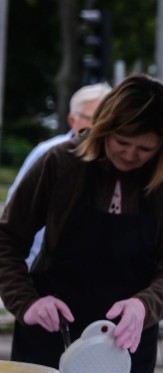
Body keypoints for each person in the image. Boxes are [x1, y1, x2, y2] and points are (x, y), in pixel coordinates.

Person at [0, 74, 163, 373]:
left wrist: (144, 306)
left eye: (145, 149)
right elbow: (6, 239)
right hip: (47, 337)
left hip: (124, 346)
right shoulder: (61, 163)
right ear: (104, 128)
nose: (130, 155)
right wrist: (25, 301)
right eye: (121, 142)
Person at [6, 82, 112, 268]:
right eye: (94, 119)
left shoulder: (119, 159)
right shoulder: (49, 154)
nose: (101, 127)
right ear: (73, 120)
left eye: (109, 120)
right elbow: (16, 208)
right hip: (40, 269)